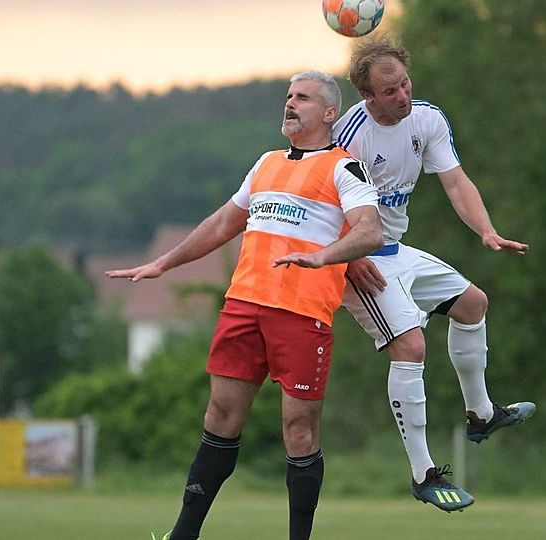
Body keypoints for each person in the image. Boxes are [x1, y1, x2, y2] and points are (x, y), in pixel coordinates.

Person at [107, 71, 382, 540]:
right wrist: (164, 262)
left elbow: (369, 230)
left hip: (301, 315)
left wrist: (324, 256)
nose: (290, 104)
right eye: (288, 96)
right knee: (219, 416)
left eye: (303, 98)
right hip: (244, 305)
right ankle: (183, 533)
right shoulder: (266, 163)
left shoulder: (344, 168)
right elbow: (221, 224)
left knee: (298, 432)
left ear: (330, 113)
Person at [333, 38, 536, 513]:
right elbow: (321, 207)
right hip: (357, 262)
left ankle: (481, 415)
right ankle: (424, 474)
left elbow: (455, 181)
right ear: (368, 96)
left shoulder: (427, 118)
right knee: (411, 346)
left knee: (473, 303)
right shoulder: (349, 135)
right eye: (389, 91)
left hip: (394, 251)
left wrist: (487, 230)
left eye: (404, 83)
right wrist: (346, 259)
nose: (402, 95)